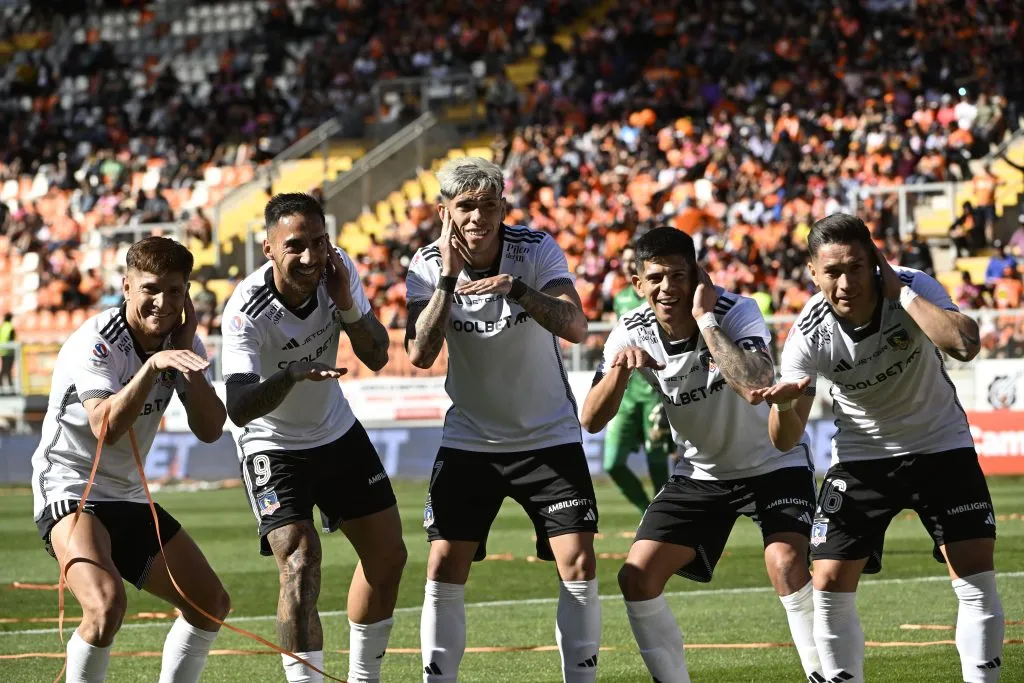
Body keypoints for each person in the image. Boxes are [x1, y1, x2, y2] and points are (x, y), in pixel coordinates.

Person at [755, 213, 1003, 683]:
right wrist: (786, 408)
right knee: (827, 582)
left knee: (973, 575)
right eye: (832, 272)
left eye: (855, 266)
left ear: (874, 262)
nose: (845, 282)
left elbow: (965, 344)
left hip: (940, 445)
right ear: (813, 272)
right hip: (861, 457)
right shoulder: (807, 335)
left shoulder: (912, 286)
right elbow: (784, 440)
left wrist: (902, 294)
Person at [581, 227, 823, 683]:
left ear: (697, 276)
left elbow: (755, 384)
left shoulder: (736, 310)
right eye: (654, 278)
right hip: (701, 473)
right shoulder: (630, 329)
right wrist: (619, 371)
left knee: (786, 564)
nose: (666, 288)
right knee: (636, 577)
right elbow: (591, 419)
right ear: (638, 285)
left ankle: (826, 676)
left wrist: (706, 321)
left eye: (677, 275)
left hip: (773, 462)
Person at [405, 157, 601, 683]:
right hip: (471, 439)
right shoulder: (425, 265)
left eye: (487, 206)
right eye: (464, 206)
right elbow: (420, 353)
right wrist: (447, 279)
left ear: (502, 208)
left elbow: (576, 326)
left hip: (548, 435)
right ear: (444, 211)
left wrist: (514, 288)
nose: (476, 217)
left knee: (578, 563)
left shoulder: (535, 250)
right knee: (444, 565)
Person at [222, 193, 406, 683]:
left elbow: (378, 355)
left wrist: (346, 301)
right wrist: (292, 375)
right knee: (300, 562)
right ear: (268, 249)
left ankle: (365, 678)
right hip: (272, 443)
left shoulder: (338, 271)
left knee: (389, 557)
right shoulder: (245, 309)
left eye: (319, 243)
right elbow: (238, 409)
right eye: (295, 246)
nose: (310, 257)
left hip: (336, 431)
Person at [30, 236, 230, 682]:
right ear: (126, 286)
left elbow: (212, 429)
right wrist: (154, 366)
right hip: (70, 485)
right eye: (151, 289)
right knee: (105, 606)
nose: (163, 302)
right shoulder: (97, 342)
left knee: (210, 605)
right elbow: (105, 426)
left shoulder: (181, 344)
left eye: (175, 291)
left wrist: (186, 355)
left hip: (129, 495)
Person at [602, 246, 672, 513]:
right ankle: (647, 511)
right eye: (627, 260)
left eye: (635, 260)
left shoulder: (660, 299)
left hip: (655, 393)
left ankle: (666, 517)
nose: (630, 264)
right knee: (613, 463)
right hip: (627, 394)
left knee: (657, 463)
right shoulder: (620, 299)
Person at [0, 312, 15, 394]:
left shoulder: (2, 327)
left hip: (2, 351)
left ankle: (3, 386)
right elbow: (11, 339)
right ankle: (11, 387)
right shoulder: (10, 327)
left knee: (4, 369)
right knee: (7, 370)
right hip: (9, 352)